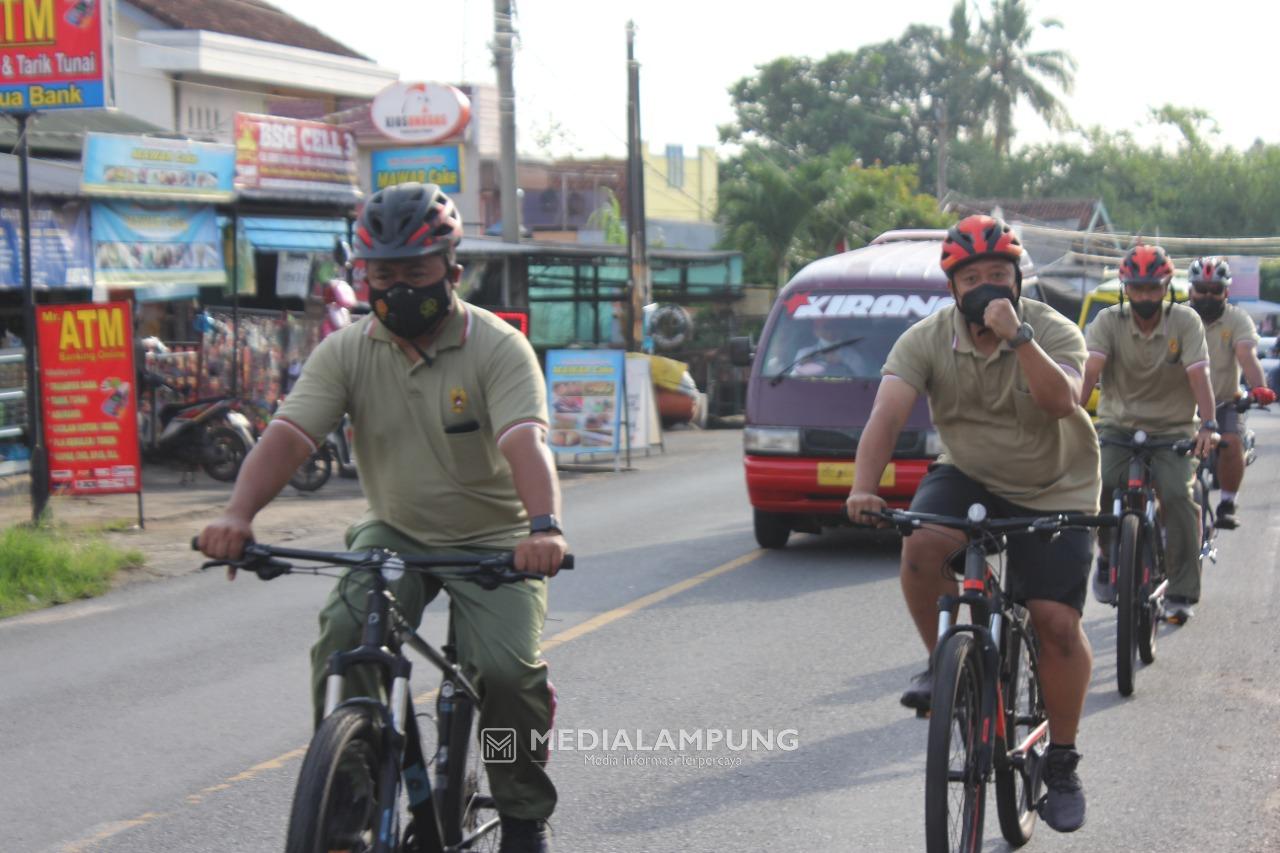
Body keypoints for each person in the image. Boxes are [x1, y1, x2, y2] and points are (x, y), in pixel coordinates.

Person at [197, 182, 566, 853]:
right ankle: (348, 802)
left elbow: (524, 443)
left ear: (453, 272)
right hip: (396, 530)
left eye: (415, 273)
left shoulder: (497, 347)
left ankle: (521, 813)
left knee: (509, 675)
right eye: (383, 274)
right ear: (362, 274)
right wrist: (237, 514)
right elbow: (286, 437)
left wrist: (542, 527)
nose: (397, 288)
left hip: (501, 538)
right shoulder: (346, 351)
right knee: (344, 633)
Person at [845, 214, 1098, 833]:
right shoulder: (926, 339)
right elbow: (887, 413)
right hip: (971, 472)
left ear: (1017, 281)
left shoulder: (1055, 331)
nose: (987, 285)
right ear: (952, 288)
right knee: (921, 546)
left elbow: (1062, 401)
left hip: (1056, 482)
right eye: (973, 277)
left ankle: (1060, 760)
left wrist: (1018, 339)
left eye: (998, 274)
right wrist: (862, 487)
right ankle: (945, 664)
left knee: (1054, 621)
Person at [1080, 245, 1216, 625]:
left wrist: (1208, 423)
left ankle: (1181, 591)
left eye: (1152, 289)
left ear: (1167, 286)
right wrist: (1070, 413)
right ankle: (1108, 557)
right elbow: (1091, 370)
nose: (1144, 297)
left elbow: (1198, 376)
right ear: (1125, 287)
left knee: (1177, 496)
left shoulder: (1186, 322)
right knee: (1100, 486)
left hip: (1172, 429)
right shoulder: (1108, 321)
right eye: (1137, 289)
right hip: (1117, 426)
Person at [1185, 256, 1276, 528]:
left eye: (1215, 290)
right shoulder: (1176, 317)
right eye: (1202, 289)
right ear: (1190, 290)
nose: (1208, 295)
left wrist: (1259, 388)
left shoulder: (1237, 319)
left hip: (1226, 401)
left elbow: (1247, 356)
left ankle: (1227, 501)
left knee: (1232, 441)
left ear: (1226, 291)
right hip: (1180, 405)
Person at [789, 313, 877, 377]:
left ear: (841, 330)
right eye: (826, 327)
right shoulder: (804, 354)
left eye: (835, 326)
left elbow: (862, 380)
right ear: (816, 331)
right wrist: (804, 366)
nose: (831, 331)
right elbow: (792, 377)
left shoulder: (852, 356)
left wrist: (841, 364)